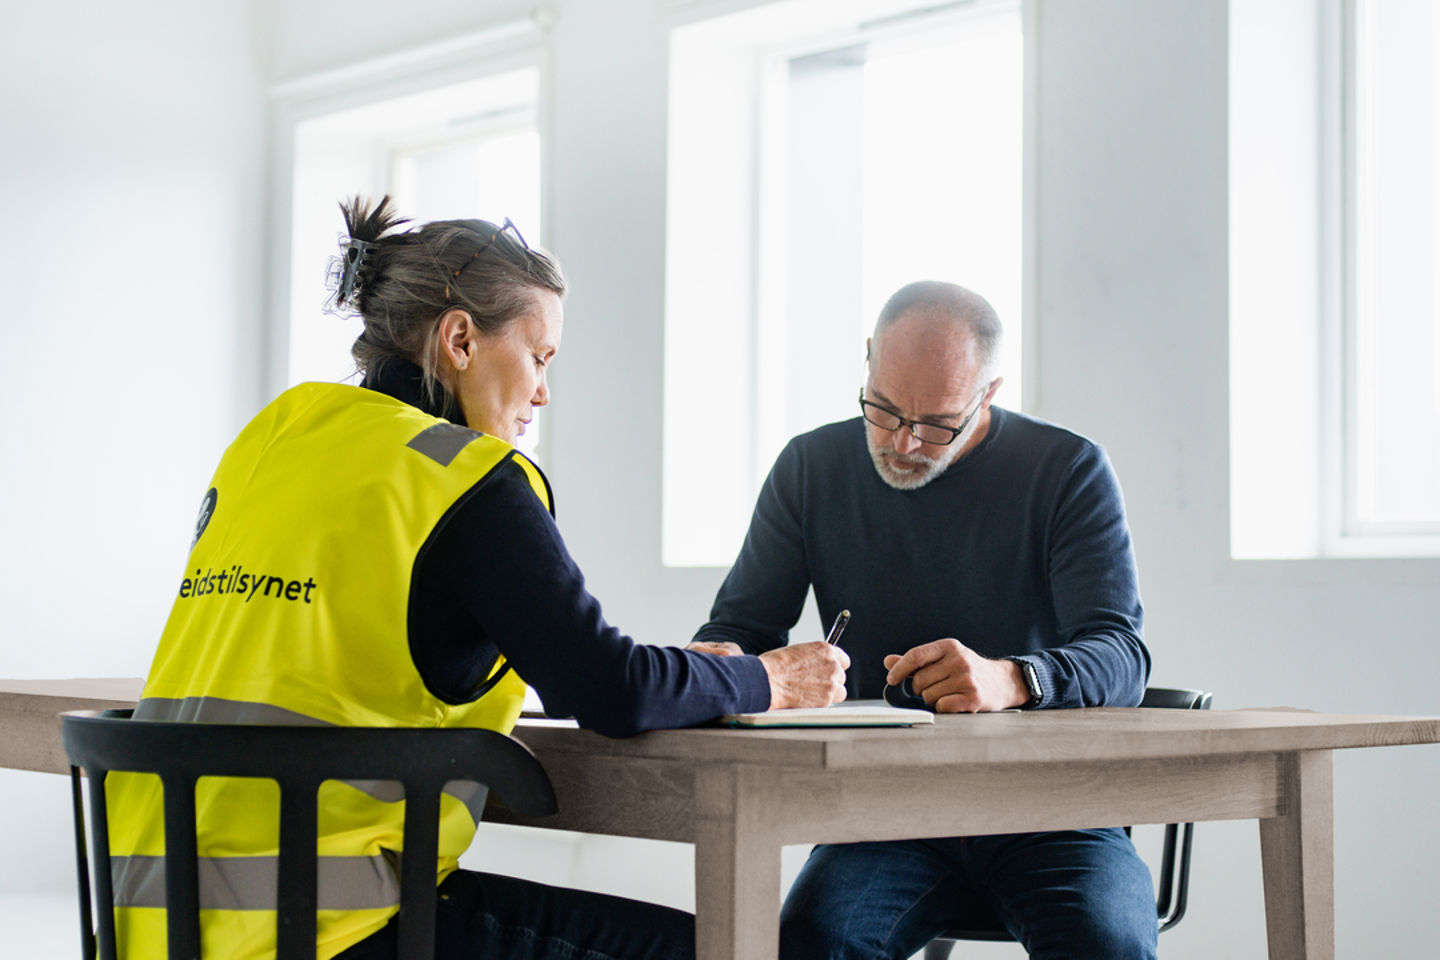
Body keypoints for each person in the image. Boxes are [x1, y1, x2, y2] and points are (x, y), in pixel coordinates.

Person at [106, 196, 849, 960]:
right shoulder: (463, 477)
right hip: (326, 928)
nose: (543, 391)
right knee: (761, 951)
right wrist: (769, 681)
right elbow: (609, 688)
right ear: (460, 338)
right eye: (539, 356)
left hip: (155, 925)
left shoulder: (274, 436)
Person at [689, 281, 1154, 960]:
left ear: (987, 394)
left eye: (936, 422)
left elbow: (1123, 655)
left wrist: (1012, 679)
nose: (903, 442)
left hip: (1052, 809)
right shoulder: (810, 467)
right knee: (810, 946)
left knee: (1106, 945)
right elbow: (743, 626)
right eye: (882, 409)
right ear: (868, 358)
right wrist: (720, 657)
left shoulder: (1066, 470)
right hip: (883, 813)